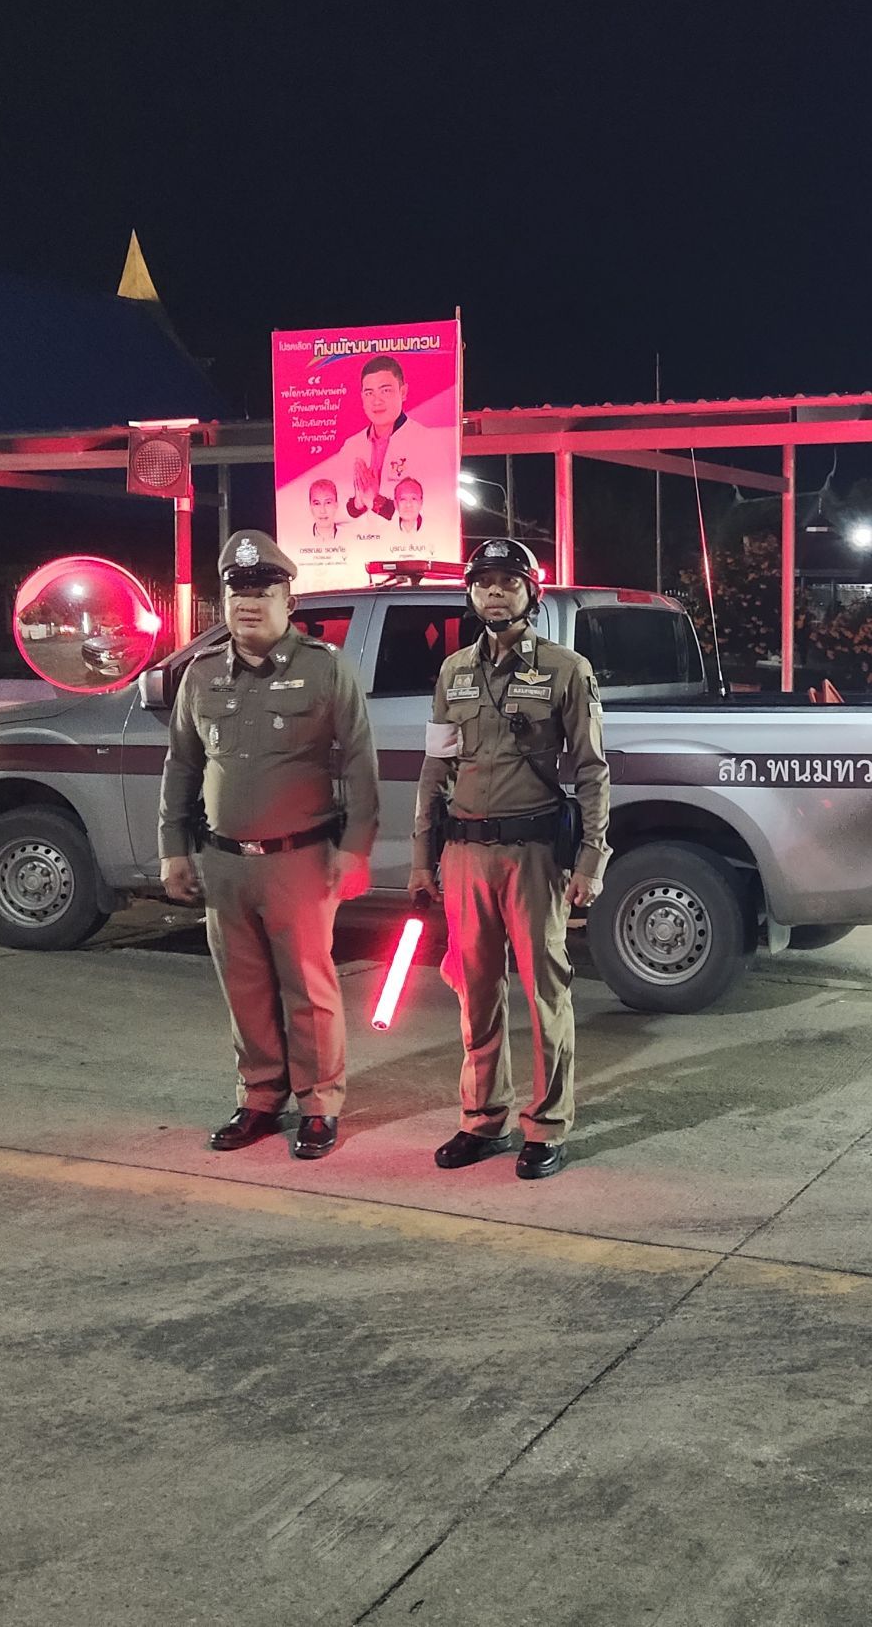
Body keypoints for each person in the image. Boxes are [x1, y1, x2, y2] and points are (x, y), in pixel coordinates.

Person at [160, 530, 381, 1159]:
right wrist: (173, 847)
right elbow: (182, 765)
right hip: (224, 861)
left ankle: (319, 1104)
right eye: (238, 592)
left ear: (289, 599)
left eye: (262, 592)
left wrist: (356, 847)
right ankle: (259, 1097)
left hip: (300, 860)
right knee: (245, 987)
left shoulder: (325, 668)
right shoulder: (202, 674)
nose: (248, 604)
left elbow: (360, 761)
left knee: (308, 989)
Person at [408, 537, 610, 1180]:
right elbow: (436, 768)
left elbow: (592, 770)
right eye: (484, 583)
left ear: (531, 593)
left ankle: (546, 1125)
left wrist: (591, 860)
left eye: (508, 582)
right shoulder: (453, 673)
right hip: (466, 853)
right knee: (474, 990)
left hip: (534, 855)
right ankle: (482, 1118)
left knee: (546, 991)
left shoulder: (566, 670)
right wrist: (422, 857)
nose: (494, 592)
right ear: (471, 594)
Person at [339, 354, 444, 519]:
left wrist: (375, 500)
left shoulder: (427, 442)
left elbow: (434, 510)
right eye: (369, 393)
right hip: (357, 536)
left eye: (385, 391)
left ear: (403, 392)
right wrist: (358, 503)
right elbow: (336, 508)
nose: (376, 401)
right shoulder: (351, 446)